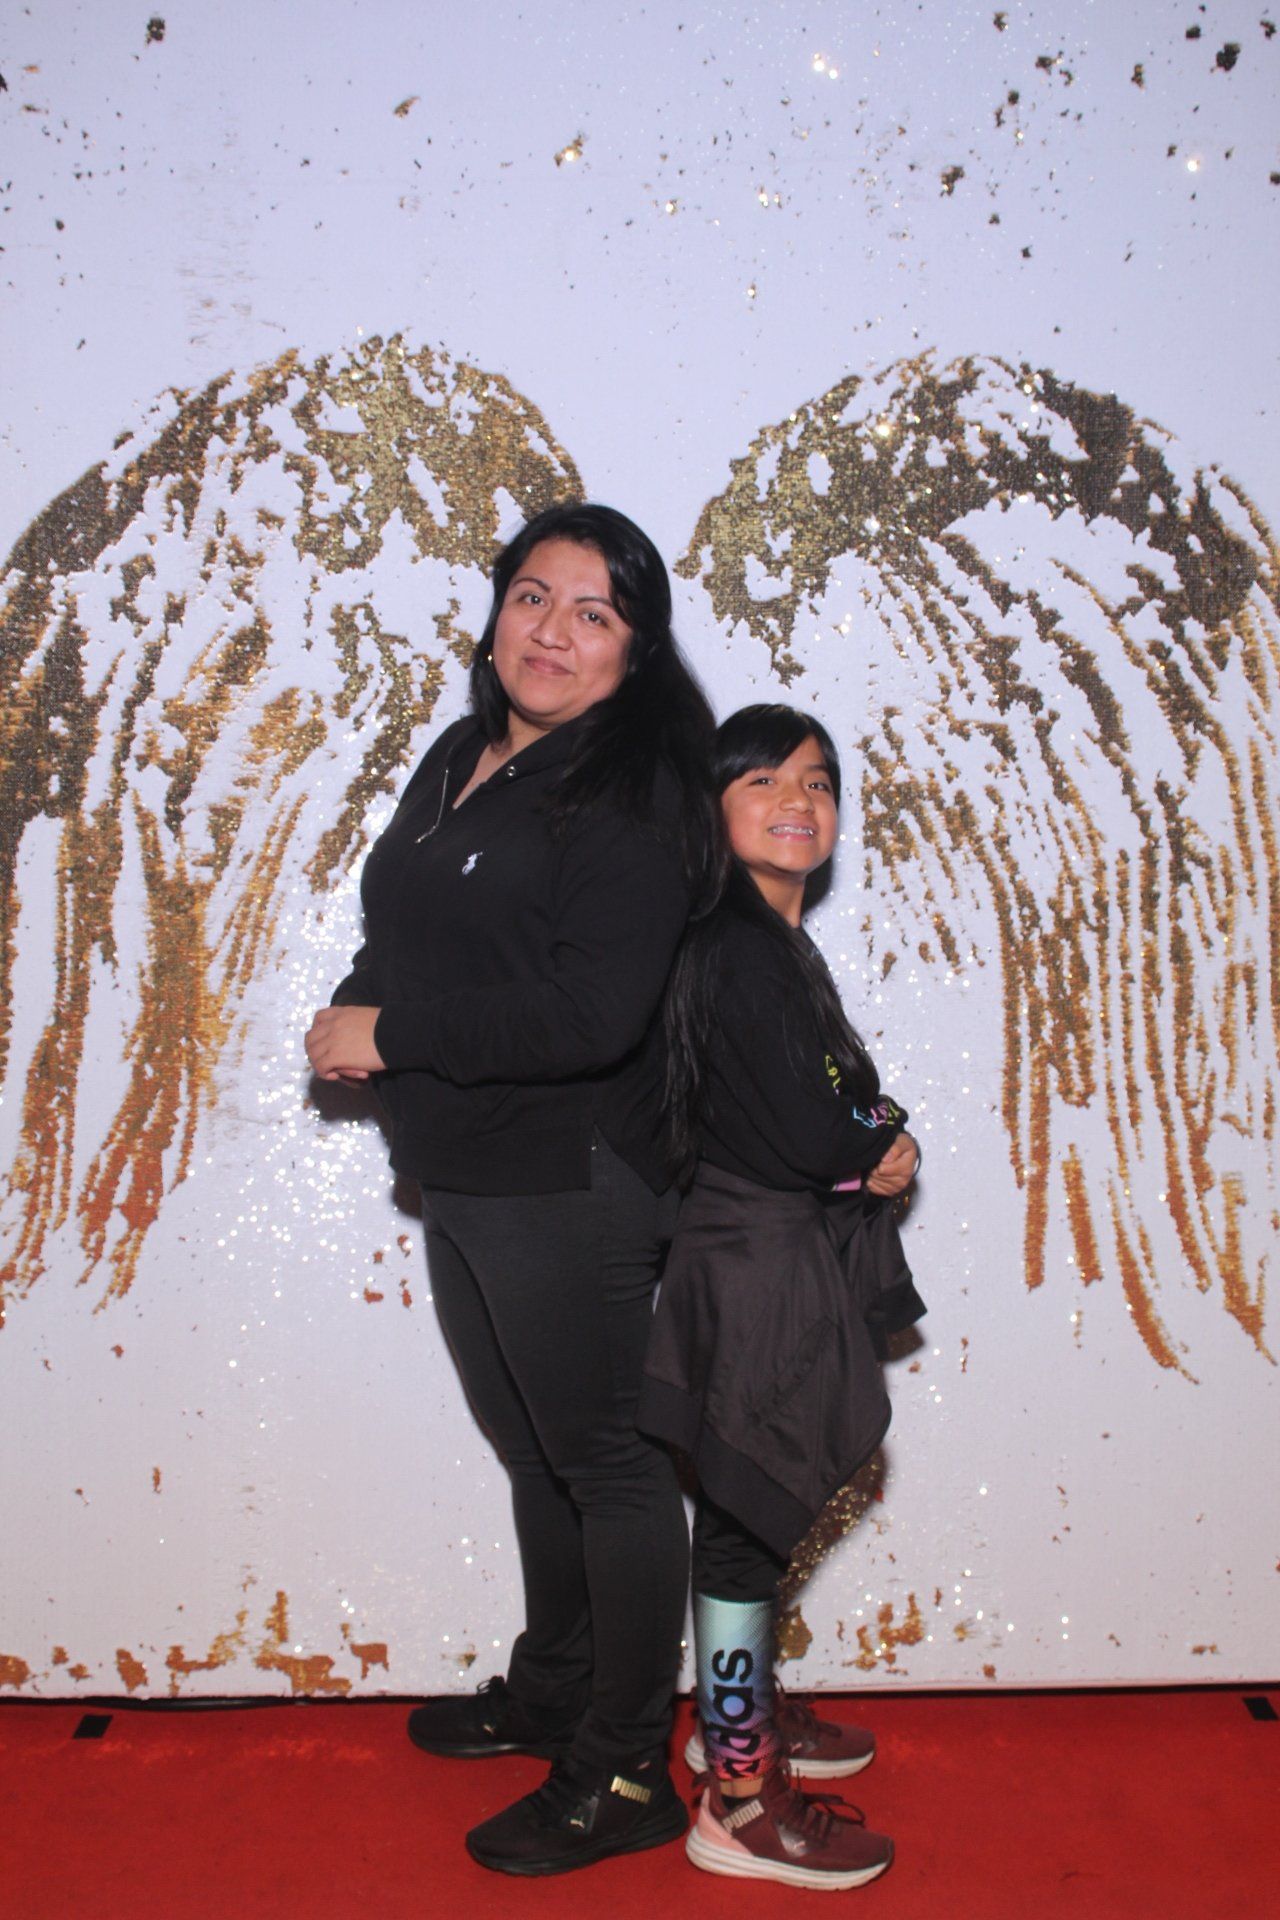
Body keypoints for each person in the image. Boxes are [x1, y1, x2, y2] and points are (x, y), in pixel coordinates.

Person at [305, 503, 721, 1876]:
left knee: (604, 1464)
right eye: (532, 595)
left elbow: (591, 1014)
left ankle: (626, 1768)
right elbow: (412, 930)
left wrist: (394, 1034)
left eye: (593, 613)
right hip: (470, 1169)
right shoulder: (463, 756)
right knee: (537, 1452)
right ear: (494, 610)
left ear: (634, 651)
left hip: (569, 1175)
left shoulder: (632, 795)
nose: (551, 630)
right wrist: (359, 1001)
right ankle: (555, 1692)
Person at [639, 703, 924, 1891]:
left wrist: (870, 1126)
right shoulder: (739, 948)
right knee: (746, 1522)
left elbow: (832, 1097)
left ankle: (734, 1721)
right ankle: (739, 1798)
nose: (795, 800)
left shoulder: (761, 942)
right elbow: (821, 1123)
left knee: (744, 1517)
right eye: (759, 780)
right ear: (711, 811)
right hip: (752, 1265)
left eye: (815, 781)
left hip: (750, 1253)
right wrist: (881, 1133)